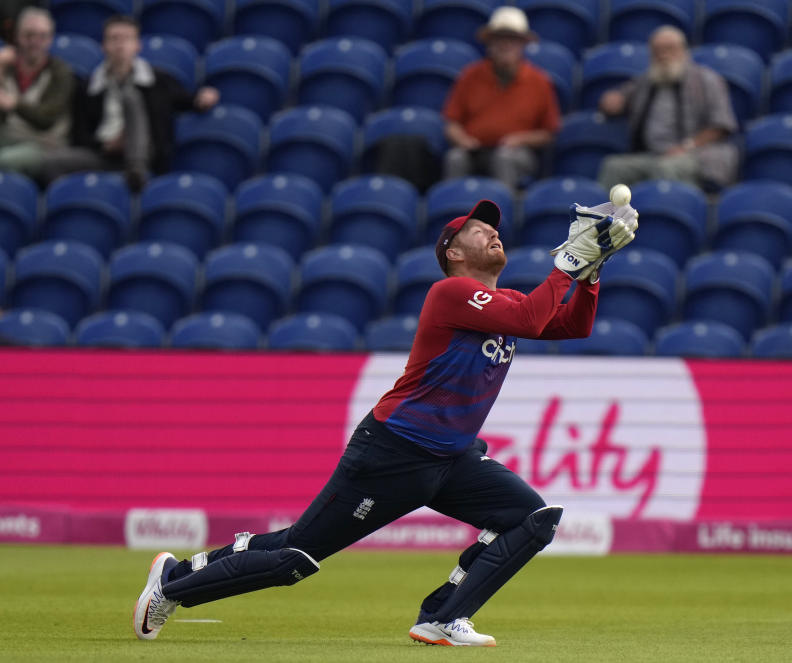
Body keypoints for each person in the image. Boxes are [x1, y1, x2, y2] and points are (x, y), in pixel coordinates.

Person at [133, 199, 638, 646]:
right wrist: (570, 263)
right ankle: (173, 586)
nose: (491, 231)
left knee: (532, 517)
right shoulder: (451, 293)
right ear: (454, 254)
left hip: (451, 457)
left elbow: (574, 324)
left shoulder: (506, 304)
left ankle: (443, 617)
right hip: (392, 452)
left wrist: (592, 270)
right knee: (296, 556)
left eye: (493, 226)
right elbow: (532, 319)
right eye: (476, 229)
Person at [42, 14, 218, 190]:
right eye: (114, 39)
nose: (120, 45)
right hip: (104, 155)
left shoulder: (159, 80)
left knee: (130, 97)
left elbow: (186, 100)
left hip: (145, 156)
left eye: (127, 38)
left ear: (137, 45)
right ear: (104, 45)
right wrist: (106, 146)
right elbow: (79, 134)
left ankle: (137, 171)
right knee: (52, 163)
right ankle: (70, 199)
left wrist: (202, 98)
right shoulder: (88, 87)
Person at [596, 25, 739, 192]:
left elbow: (721, 126)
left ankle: (663, 214)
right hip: (652, 155)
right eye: (657, 51)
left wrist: (687, 146)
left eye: (670, 49)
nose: (663, 55)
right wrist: (611, 101)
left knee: (666, 168)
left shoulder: (707, 80)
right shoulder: (646, 81)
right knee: (613, 167)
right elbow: (619, 98)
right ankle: (605, 217)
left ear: (684, 51)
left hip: (697, 154)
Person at [440, 6, 560, 190]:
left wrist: (520, 139)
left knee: (504, 159)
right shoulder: (470, 76)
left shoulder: (539, 81)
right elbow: (451, 124)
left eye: (512, 39)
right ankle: (454, 213)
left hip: (516, 153)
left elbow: (548, 133)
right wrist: (463, 140)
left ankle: (501, 214)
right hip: (474, 150)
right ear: (489, 43)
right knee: (455, 158)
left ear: (523, 44)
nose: (505, 45)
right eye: (499, 39)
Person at [0, 7, 73, 179]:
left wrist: (14, 104)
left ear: (50, 39)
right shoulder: (8, 68)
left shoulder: (60, 72)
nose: (35, 41)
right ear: (17, 36)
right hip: (10, 136)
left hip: (45, 144)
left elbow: (46, 120)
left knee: (5, 161)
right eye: (29, 35)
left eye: (42, 36)